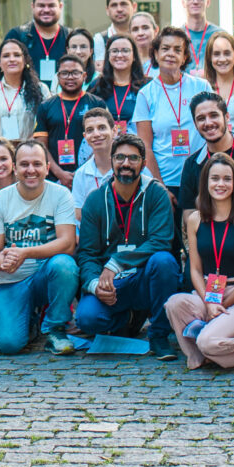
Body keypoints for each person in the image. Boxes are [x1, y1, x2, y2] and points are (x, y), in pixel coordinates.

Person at [72, 135, 179, 356]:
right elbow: (87, 254)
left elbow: (161, 241)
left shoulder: (156, 193)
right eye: (120, 157)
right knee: (86, 319)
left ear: (144, 163)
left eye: (133, 158)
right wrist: (95, 285)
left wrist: (116, 263)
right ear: (112, 161)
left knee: (164, 261)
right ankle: (130, 318)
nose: (126, 163)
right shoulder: (95, 199)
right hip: (111, 283)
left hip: (143, 278)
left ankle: (159, 336)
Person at [161, 152, 234, 368]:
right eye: (215, 178)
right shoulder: (195, 219)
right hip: (209, 293)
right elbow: (195, 269)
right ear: (206, 182)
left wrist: (223, 304)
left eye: (227, 179)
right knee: (174, 305)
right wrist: (210, 303)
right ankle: (202, 354)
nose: (221, 184)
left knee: (207, 341)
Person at [0, 138, 80, 356]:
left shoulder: (61, 195)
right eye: (24, 164)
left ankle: (56, 329)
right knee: (8, 345)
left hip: (47, 274)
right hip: (13, 278)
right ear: (15, 169)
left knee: (65, 264)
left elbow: (67, 243)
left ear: (47, 167)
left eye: (37, 164)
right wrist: (3, 262)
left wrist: (25, 253)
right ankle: (30, 319)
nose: (31, 170)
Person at [134, 26, 212, 197]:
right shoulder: (145, 95)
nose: (171, 54)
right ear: (155, 54)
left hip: (202, 177)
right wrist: (160, 186)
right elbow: (145, 147)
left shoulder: (202, 87)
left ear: (184, 58)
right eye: (165, 48)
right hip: (165, 181)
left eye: (177, 50)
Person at [179, 93, 234, 213]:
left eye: (214, 115)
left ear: (227, 117)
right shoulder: (191, 165)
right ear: (195, 125)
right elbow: (188, 213)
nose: (208, 123)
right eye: (201, 118)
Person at [35, 55, 105, 188]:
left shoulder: (97, 104)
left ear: (84, 76)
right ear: (58, 77)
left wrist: (81, 173)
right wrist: (60, 173)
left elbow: (104, 142)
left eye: (75, 73)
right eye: (65, 73)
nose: (70, 77)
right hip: (54, 178)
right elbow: (41, 145)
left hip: (90, 175)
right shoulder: (46, 107)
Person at [0, 37, 44, 151]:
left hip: (30, 155)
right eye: (6, 56)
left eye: (17, 55)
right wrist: (1, 150)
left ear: (25, 60)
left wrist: (23, 151)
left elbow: (45, 128)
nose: (12, 59)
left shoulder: (41, 89)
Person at [72, 108, 141, 208]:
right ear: (85, 136)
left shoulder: (134, 166)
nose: (96, 134)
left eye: (102, 128)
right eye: (90, 130)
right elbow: (78, 213)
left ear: (114, 131)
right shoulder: (81, 175)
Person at [5, 0, 70, 83]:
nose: (46, 10)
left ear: (60, 6)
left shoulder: (71, 38)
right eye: (41, 6)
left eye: (51, 5)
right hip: (26, 92)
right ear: (33, 7)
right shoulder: (17, 36)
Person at [90, 35, 146, 138]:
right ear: (108, 56)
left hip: (138, 144)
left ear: (134, 56)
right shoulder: (97, 86)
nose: (119, 55)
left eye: (125, 50)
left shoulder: (146, 86)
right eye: (114, 51)